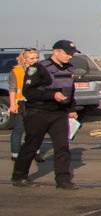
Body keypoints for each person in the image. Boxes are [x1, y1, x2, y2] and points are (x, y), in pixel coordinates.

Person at [11, 40, 80, 189]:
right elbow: (28, 92)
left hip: (59, 113)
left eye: (72, 54)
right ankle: (19, 176)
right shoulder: (39, 68)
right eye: (67, 53)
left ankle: (63, 180)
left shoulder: (68, 69)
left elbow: (70, 90)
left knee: (62, 147)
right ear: (56, 52)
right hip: (38, 112)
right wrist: (52, 95)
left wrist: (71, 109)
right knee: (31, 145)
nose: (70, 56)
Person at [8, 48, 47, 163]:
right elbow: (13, 89)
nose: (35, 60)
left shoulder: (40, 70)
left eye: (36, 57)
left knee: (36, 130)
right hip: (21, 104)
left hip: (36, 103)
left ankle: (36, 153)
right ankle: (15, 154)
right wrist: (12, 105)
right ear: (24, 59)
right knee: (19, 129)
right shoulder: (16, 71)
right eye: (32, 58)